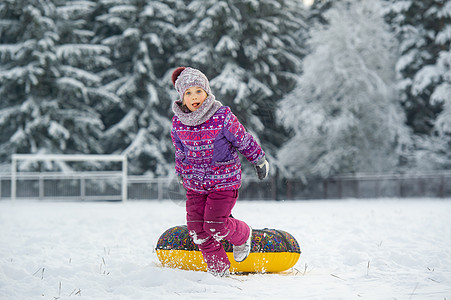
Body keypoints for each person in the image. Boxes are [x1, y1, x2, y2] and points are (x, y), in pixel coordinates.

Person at [170, 67, 269, 276]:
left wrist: (258, 159)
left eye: (198, 91)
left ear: (206, 92)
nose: (194, 96)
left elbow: (242, 139)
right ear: (182, 97)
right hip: (195, 184)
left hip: (224, 181)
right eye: (188, 93)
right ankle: (220, 272)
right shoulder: (178, 122)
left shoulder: (221, 115)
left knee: (215, 225)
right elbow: (180, 151)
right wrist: (181, 172)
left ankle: (243, 235)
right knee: (198, 230)